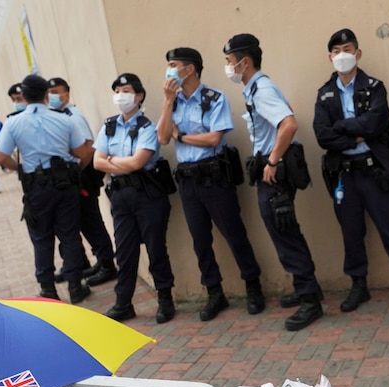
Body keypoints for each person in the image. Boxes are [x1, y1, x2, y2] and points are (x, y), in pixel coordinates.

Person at [223, 34, 325, 331]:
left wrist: (272, 160)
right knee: (286, 232)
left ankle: (310, 301)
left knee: (285, 234)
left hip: (274, 174)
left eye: (230, 62)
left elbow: (288, 123)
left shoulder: (262, 89)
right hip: (269, 171)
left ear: (245, 61)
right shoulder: (256, 88)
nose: (228, 68)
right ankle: (308, 287)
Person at [157, 46, 266, 322]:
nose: (170, 71)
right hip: (187, 179)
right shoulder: (174, 101)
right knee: (200, 240)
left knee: (234, 234)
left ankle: (253, 286)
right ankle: (215, 292)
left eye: (174, 65)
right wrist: (167, 102)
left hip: (214, 176)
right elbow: (162, 137)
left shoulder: (214, 98)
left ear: (189, 69)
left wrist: (182, 137)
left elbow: (214, 138)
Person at [313, 29, 389, 312]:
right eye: (336, 51)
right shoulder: (324, 94)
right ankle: (359, 286)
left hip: (375, 172)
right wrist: (354, 133)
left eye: (347, 49)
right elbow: (322, 135)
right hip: (344, 174)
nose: (342, 55)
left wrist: (342, 127)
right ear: (330, 57)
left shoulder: (374, 87)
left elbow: (374, 124)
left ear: (358, 53)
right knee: (351, 232)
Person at [0, 74, 91, 304]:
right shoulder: (63, 120)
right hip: (65, 184)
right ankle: (75, 286)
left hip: (36, 187)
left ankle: (48, 289)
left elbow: (2, 157)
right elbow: (83, 153)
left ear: (24, 96)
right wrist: (76, 170)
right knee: (69, 235)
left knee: (41, 237)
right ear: (47, 94)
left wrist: (22, 171)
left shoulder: (14, 122)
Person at [93, 73, 176, 323]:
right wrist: (120, 164)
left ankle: (165, 299)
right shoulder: (109, 126)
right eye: (117, 90)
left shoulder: (147, 127)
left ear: (139, 96)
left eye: (126, 90)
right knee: (125, 251)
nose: (121, 95)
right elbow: (97, 162)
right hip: (120, 196)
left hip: (147, 195)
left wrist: (111, 161)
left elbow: (139, 162)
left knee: (155, 249)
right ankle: (123, 302)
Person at [47, 77, 117, 287]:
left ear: (67, 94)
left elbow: (88, 150)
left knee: (91, 221)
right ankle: (98, 260)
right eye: (49, 92)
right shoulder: (58, 116)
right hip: (74, 176)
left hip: (82, 176)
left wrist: (76, 173)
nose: (52, 96)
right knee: (84, 222)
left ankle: (107, 265)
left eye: (57, 92)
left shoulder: (73, 116)